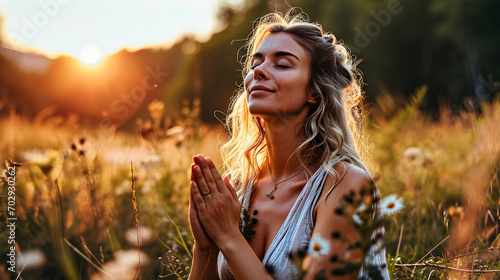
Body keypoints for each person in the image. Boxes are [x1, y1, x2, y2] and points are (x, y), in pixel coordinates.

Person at [187, 10, 390, 280]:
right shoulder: (236, 187)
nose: (259, 71)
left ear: (314, 92)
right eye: (254, 64)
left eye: (281, 64)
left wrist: (228, 237)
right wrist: (206, 247)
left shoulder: (346, 186)